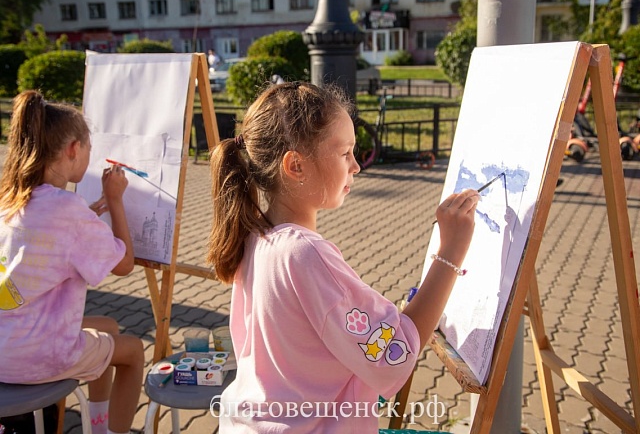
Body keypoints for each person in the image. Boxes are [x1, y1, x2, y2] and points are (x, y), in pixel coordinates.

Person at [206, 81, 479, 432]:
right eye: (345, 152)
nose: (356, 166)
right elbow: (395, 355)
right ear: (296, 166)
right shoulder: (305, 254)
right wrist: (451, 251)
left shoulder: (256, 235)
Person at [0, 91, 144, 434]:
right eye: (90, 148)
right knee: (134, 350)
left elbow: (48, 237)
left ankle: (97, 422)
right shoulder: (67, 210)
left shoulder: (11, 197)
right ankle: (108, 432)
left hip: (6, 342)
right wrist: (115, 200)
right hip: (36, 356)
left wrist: (86, 217)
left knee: (107, 325)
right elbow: (124, 264)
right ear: (73, 150)